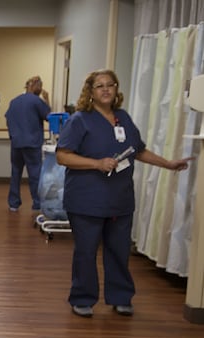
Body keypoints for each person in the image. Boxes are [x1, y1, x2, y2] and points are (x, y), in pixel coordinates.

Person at [55, 69, 192, 318]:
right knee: (86, 252)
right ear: (91, 92)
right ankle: (83, 298)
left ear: (116, 89)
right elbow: (62, 155)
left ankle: (120, 297)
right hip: (87, 199)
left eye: (110, 84)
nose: (106, 89)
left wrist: (168, 164)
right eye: (99, 86)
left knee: (118, 249)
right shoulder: (80, 120)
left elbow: (137, 151)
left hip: (119, 198)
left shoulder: (123, 119)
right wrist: (96, 163)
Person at [5, 75, 51, 212]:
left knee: (16, 173)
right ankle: (37, 204)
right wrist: (47, 99)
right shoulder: (36, 101)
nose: (41, 88)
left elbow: (8, 118)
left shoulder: (14, 101)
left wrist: (14, 135)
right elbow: (49, 116)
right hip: (32, 143)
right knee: (35, 174)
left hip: (16, 143)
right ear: (35, 86)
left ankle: (13, 204)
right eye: (40, 86)